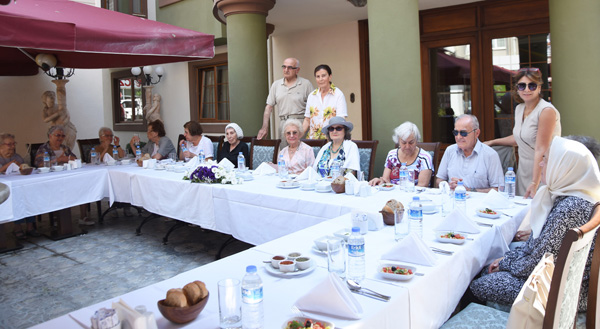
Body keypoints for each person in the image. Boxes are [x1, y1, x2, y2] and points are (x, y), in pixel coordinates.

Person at [469, 136, 600, 311]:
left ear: (563, 167)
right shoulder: (573, 196)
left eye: (546, 159)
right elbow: (537, 248)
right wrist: (506, 260)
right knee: (488, 267)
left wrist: (504, 263)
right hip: (560, 282)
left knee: (477, 283)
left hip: (556, 291)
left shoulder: (570, 209)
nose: (540, 164)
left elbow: (540, 262)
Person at [484, 68, 561, 198]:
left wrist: (534, 182)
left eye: (532, 85)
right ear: (517, 89)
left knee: (539, 213)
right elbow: (519, 137)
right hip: (523, 169)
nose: (526, 89)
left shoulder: (546, 111)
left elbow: (541, 149)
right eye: (522, 85)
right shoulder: (519, 109)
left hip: (542, 172)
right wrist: (492, 141)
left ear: (539, 88)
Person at [436, 114, 503, 192]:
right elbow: (439, 180)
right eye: (455, 132)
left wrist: (469, 190)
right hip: (453, 200)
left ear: (477, 133)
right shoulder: (450, 150)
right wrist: (447, 185)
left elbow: (498, 189)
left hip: (479, 202)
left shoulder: (490, 155)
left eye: (463, 133)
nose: (458, 137)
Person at [258, 58, 313, 140]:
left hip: (300, 123)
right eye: (284, 67)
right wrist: (264, 127)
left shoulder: (306, 84)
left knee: (301, 150)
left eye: (290, 68)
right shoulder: (276, 85)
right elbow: (268, 107)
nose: (286, 70)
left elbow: (314, 107)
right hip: (284, 123)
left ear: (297, 70)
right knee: (285, 151)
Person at [369, 122, 433, 187]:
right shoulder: (392, 155)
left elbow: (422, 186)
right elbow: (386, 180)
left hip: (415, 195)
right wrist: (380, 180)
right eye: (403, 143)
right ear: (398, 141)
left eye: (411, 142)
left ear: (416, 141)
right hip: (393, 194)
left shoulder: (424, 157)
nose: (407, 146)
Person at [0, 133, 39, 238]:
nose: (13, 146)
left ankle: (30, 226)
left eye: (14, 144)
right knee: (16, 199)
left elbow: (24, 168)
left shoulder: (16, 156)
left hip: (19, 185)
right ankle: (17, 227)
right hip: (4, 190)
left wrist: (22, 167)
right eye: (9, 144)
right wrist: (8, 165)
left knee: (28, 196)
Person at [303, 64, 348, 140]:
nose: (321, 79)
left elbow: (341, 119)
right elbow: (307, 119)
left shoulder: (338, 94)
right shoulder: (312, 95)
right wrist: (298, 134)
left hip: (331, 140)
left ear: (330, 77)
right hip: (313, 140)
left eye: (323, 76)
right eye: (318, 76)